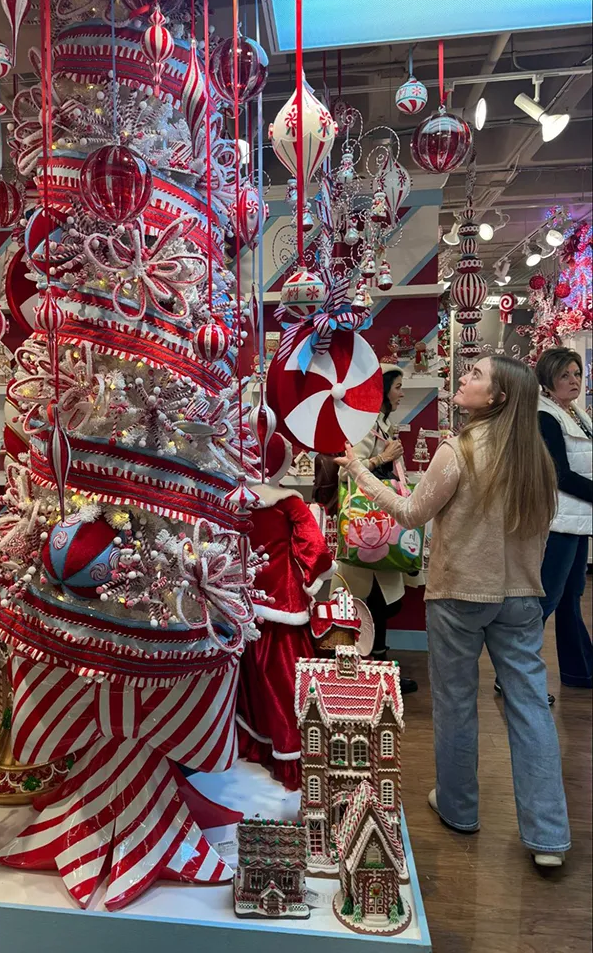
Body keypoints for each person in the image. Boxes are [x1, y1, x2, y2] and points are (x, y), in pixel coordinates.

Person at [335, 355, 571, 867]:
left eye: (476, 375)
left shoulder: (459, 449)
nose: (464, 378)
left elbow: (410, 513)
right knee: (530, 708)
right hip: (521, 597)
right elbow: (544, 530)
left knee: (457, 703)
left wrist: (357, 470)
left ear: (498, 397)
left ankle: (460, 807)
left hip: (460, 594)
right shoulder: (536, 457)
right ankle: (548, 835)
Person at [237, 433, 336, 790]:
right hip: (283, 601)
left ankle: (255, 743)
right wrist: (311, 577)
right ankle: (291, 757)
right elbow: (318, 549)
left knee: (251, 681)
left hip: (243, 599)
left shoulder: (235, 502)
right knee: (288, 682)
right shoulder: (290, 504)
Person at [335, 365, 418, 694]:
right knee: (372, 599)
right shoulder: (367, 426)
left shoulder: (383, 424)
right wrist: (382, 457)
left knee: (384, 599)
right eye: (398, 386)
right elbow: (345, 473)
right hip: (368, 525)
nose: (401, 393)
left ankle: (375, 663)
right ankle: (371, 667)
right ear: (383, 389)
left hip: (381, 526)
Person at [535, 347, 592, 689]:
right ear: (548, 380)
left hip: (577, 520)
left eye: (576, 374)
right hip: (559, 522)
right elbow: (558, 473)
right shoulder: (545, 416)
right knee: (547, 600)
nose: (573, 381)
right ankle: (513, 673)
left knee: (570, 596)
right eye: (564, 376)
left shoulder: (576, 414)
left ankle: (579, 669)